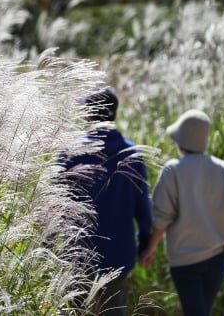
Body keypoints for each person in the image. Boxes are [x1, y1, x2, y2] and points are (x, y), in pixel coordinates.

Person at [140, 109, 224, 316]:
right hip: (218, 258)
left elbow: (163, 219)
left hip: (184, 260)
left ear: (180, 141)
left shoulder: (172, 171)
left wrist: (149, 250)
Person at [59, 88, 152, 315]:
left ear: (89, 114)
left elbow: (56, 203)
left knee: (73, 311)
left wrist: (51, 245)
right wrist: (145, 243)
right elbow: (143, 208)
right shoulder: (132, 154)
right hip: (118, 253)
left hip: (77, 253)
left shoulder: (70, 153)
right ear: (115, 116)